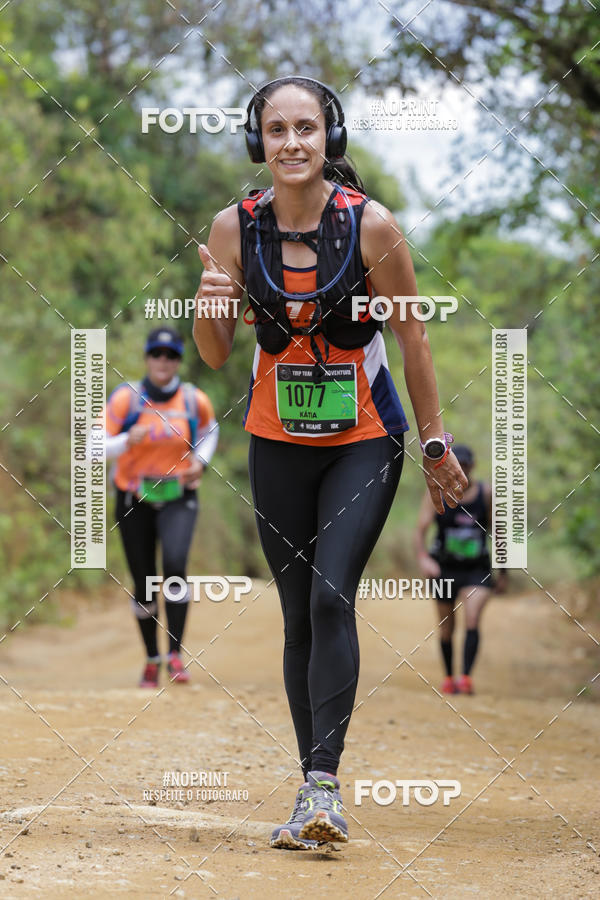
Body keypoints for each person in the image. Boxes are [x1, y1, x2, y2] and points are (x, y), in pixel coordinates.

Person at [192, 75, 467, 849]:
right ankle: (311, 780)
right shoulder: (230, 230)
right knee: (294, 618)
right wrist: (212, 308)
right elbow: (214, 356)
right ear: (258, 142)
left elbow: (413, 338)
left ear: (329, 137)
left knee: (328, 598)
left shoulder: (373, 228)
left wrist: (433, 441)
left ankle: (323, 786)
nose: (291, 143)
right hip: (275, 439)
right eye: (275, 130)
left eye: (305, 128)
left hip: (363, 440)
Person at [101, 327, 218, 688]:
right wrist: (124, 440)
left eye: (170, 355)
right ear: (147, 358)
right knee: (144, 580)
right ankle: (152, 658)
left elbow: (211, 430)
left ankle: (175, 655)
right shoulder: (126, 399)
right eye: (156, 354)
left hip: (178, 496)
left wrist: (201, 460)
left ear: (179, 360)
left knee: (175, 567)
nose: (163, 361)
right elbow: (93, 447)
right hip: (133, 497)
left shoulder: (192, 399)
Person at [414, 444, 507, 695]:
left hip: (476, 569)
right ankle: (448, 677)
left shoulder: (486, 494)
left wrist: (503, 572)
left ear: (472, 466)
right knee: (447, 626)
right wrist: (424, 558)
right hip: (444, 567)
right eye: (459, 464)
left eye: (466, 465)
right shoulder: (436, 491)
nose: (462, 469)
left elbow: (500, 533)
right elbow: (421, 530)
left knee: (473, 617)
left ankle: (465, 677)